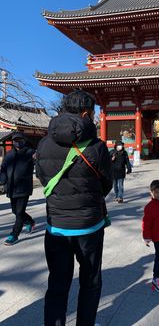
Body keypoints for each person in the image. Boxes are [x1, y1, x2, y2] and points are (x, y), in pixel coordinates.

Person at [36, 90, 113, 326]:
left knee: (58, 283)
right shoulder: (97, 146)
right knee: (90, 281)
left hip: (57, 226)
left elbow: (42, 177)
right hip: (89, 226)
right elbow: (106, 184)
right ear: (86, 113)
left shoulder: (44, 143)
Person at [0, 132, 36, 246]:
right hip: (11, 187)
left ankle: (14, 235)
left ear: (24, 141)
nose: (18, 142)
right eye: (15, 140)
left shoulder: (30, 153)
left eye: (20, 140)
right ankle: (30, 221)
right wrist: (2, 180)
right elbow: (3, 169)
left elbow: (40, 162)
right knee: (15, 211)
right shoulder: (9, 154)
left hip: (24, 187)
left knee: (19, 213)